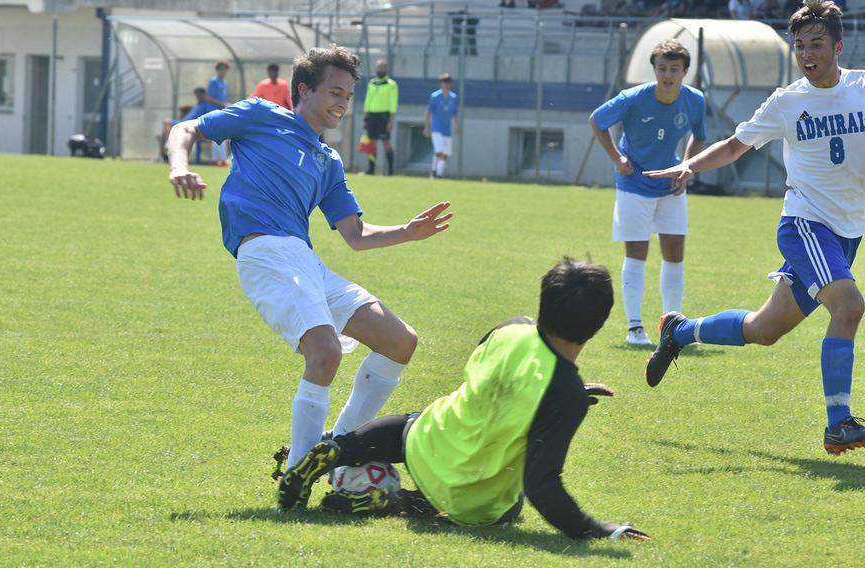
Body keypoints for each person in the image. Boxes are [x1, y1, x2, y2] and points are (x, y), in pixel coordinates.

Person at [166, 46, 452, 472]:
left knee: (400, 341)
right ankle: (298, 475)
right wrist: (178, 166)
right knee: (325, 353)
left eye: (347, 97)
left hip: (305, 261)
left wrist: (408, 233)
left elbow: (355, 235)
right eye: (335, 92)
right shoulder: (263, 115)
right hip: (263, 251)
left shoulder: (328, 160)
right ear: (305, 90)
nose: (342, 103)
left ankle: (337, 450)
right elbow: (185, 128)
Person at [278, 259, 651, 542]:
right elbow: (543, 485)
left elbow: (507, 373)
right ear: (598, 324)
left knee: (411, 425)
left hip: (428, 440)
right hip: (470, 495)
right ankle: (400, 503)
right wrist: (598, 529)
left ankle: (339, 448)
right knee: (510, 504)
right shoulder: (565, 394)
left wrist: (563, 393)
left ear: (544, 301)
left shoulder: (511, 329)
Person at [643, 0, 865, 455]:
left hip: (847, 232)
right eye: (800, 45)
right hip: (805, 224)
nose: (806, 53)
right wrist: (688, 165)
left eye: (816, 44)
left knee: (765, 329)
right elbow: (732, 146)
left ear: (839, 46)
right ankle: (839, 423)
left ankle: (679, 331)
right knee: (850, 306)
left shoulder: (862, 89)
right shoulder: (787, 102)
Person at [589, 40, 707, 346]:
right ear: (654, 70)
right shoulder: (633, 98)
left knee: (675, 253)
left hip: (670, 185)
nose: (668, 75)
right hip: (634, 185)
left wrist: (685, 167)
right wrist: (618, 158)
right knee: (637, 254)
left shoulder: (695, 100)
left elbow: (700, 136)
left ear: (685, 72)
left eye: (675, 69)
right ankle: (634, 328)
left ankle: (673, 328)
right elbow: (597, 120)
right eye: (662, 68)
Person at [362, 59, 398, 176]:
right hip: (372, 116)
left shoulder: (391, 84)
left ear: (386, 69)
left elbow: (393, 103)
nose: (380, 70)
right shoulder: (372, 83)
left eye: (383, 67)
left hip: (384, 116)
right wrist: (365, 118)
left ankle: (390, 171)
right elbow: (368, 101)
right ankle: (371, 170)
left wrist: (391, 121)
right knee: (372, 143)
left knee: (386, 143)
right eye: (379, 67)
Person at [423, 73, 459, 179]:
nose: (446, 85)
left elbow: (455, 113)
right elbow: (428, 112)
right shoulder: (435, 97)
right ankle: (434, 170)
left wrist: (457, 126)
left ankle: (439, 174)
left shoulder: (453, 97)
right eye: (444, 82)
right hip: (436, 129)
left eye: (448, 82)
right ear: (441, 84)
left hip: (447, 130)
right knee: (439, 151)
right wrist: (426, 127)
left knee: (445, 154)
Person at [206, 61, 230, 166]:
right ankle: (215, 160)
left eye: (224, 69)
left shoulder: (225, 83)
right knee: (216, 136)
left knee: (223, 135)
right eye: (221, 69)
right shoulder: (213, 81)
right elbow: (209, 97)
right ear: (217, 70)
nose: (223, 71)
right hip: (214, 112)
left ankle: (222, 160)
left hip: (222, 112)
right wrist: (221, 103)